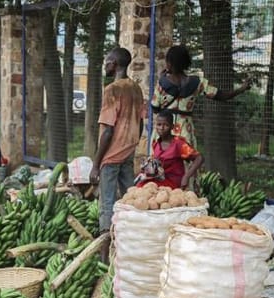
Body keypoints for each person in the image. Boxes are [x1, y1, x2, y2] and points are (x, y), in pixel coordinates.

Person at [89, 47, 145, 262]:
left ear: (115, 63)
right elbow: (140, 124)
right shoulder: (135, 89)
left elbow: (108, 130)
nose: (105, 65)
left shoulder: (112, 90)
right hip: (128, 151)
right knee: (130, 200)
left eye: (107, 61)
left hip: (111, 155)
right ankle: (132, 246)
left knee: (107, 204)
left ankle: (104, 257)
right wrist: (132, 144)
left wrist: (96, 163)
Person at [151, 45, 250, 148]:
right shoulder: (197, 82)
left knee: (160, 161)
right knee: (186, 161)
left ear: (169, 63)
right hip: (185, 130)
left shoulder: (162, 82)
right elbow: (221, 96)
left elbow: (155, 108)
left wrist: (162, 79)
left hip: (164, 131)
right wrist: (241, 88)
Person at [135, 110, 204, 189]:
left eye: (166, 125)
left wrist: (186, 177)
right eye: (159, 125)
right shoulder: (156, 144)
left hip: (173, 182)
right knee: (140, 186)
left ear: (172, 127)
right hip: (160, 180)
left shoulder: (178, 144)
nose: (162, 128)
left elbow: (199, 158)